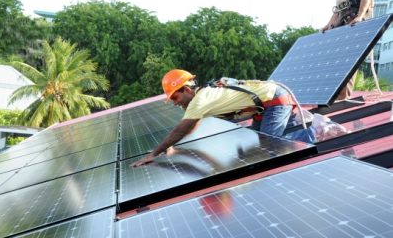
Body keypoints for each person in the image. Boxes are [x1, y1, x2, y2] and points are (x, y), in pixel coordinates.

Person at [131, 69, 346, 167]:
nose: (175, 102)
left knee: (269, 150)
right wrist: (176, 149)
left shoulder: (199, 101)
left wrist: (154, 153)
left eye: (175, 96)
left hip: (274, 100)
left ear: (187, 89)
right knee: (255, 144)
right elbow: (190, 129)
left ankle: (316, 130)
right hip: (267, 103)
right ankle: (296, 125)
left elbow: (182, 129)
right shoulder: (201, 99)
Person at [322, 0, 379, 100]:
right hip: (341, 17)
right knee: (332, 63)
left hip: (354, 16)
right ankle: (330, 100)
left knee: (346, 63)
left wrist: (360, 15)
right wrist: (330, 23)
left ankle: (341, 103)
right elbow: (340, 3)